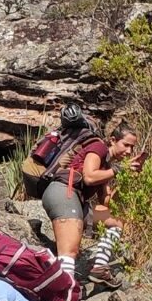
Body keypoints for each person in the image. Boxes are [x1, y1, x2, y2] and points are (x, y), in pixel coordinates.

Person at [40, 121, 142, 287]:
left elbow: (106, 202)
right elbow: (89, 176)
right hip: (63, 192)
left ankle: (99, 268)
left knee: (116, 222)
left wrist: (126, 180)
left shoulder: (107, 165)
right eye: (126, 145)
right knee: (70, 249)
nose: (129, 151)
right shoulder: (99, 147)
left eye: (132, 148)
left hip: (77, 200)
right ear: (113, 140)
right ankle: (64, 293)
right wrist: (119, 170)